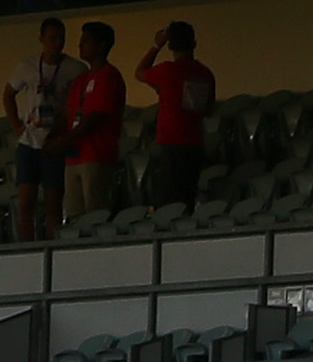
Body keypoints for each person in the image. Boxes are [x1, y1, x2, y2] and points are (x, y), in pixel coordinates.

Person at [3, 17, 71, 241]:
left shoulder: (74, 69)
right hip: (29, 141)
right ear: (42, 38)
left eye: (61, 38)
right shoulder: (27, 66)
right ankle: (25, 250)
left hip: (54, 141)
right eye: (52, 38)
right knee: (26, 203)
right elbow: (8, 93)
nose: (57, 43)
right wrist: (16, 125)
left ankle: (51, 247)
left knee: (53, 203)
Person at [139, 21, 218, 214]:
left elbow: (140, 72)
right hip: (194, 144)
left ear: (170, 45)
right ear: (194, 43)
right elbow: (208, 110)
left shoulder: (167, 71)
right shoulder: (205, 73)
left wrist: (156, 45)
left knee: (168, 202)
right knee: (186, 198)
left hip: (171, 143)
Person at [59, 22, 128, 220]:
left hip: (97, 154)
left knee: (95, 213)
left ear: (102, 45)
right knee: (74, 213)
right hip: (74, 156)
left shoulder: (109, 76)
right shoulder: (81, 79)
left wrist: (63, 140)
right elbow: (68, 113)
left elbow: (96, 116)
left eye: (86, 40)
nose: (80, 44)